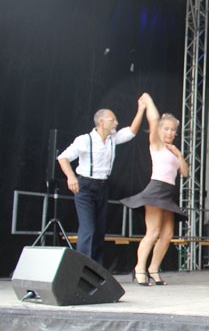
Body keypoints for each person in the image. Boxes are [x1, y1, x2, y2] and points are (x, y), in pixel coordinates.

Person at [57, 101, 145, 265]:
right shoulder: (85, 140)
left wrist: (141, 109)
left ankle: (96, 267)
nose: (116, 123)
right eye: (113, 120)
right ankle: (82, 266)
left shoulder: (112, 139)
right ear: (101, 122)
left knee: (99, 229)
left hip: (102, 186)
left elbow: (132, 131)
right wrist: (71, 177)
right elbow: (63, 158)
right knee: (88, 229)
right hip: (85, 186)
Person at [120, 93, 189, 286]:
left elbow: (185, 173)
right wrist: (148, 102)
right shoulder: (156, 144)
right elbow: (153, 119)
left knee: (167, 235)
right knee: (153, 232)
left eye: (173, 130)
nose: (169, 133)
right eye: (166, 129)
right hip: (156, 191)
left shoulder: (172, 151)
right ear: (159, 130)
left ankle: (153, 268)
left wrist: (179, 154)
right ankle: (139, 269)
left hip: (168, 194)